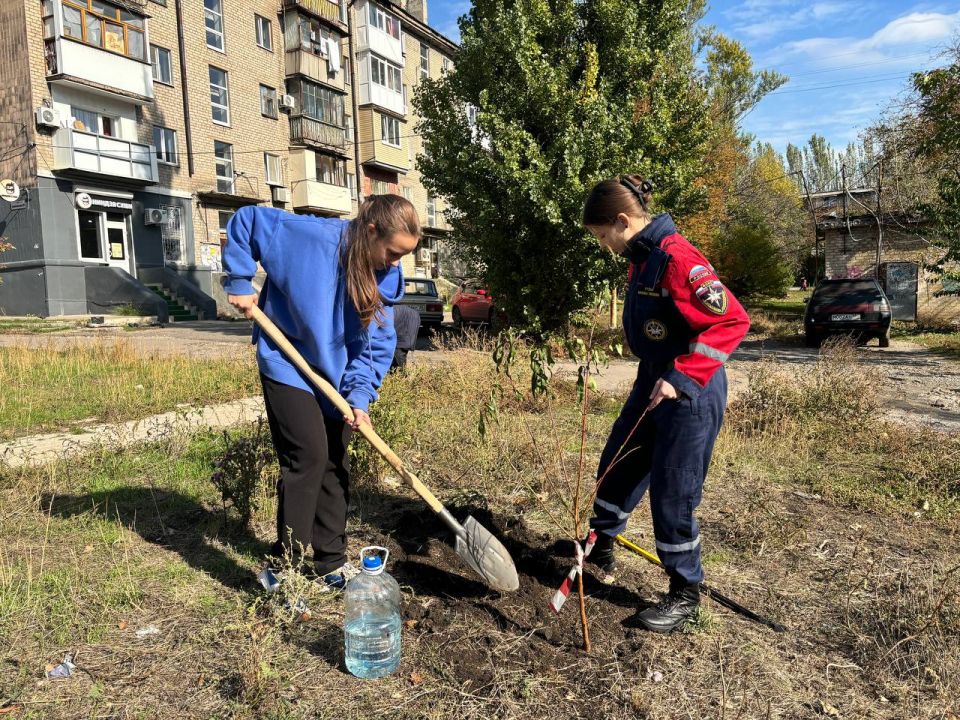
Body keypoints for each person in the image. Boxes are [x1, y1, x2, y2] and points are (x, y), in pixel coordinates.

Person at [222, 195, 420, 590]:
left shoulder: (384, 276)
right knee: (308, 456)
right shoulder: (308, 237)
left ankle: (329, 562)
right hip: (288, 362)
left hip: (340, 378)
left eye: (404, 256)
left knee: (335, 460)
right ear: (370, 232)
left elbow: (375, 346)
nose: (395, 263)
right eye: (393, 252)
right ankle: (284, 568)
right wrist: (240, 279)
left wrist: (360, 398)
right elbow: (245, 221)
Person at [581, 175, 750, 632]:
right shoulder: (643, 257)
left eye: (602, 236)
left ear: (622, 221)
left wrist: (681, 378)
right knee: (619, 460)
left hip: (689, 388)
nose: (603, 246)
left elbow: (731, 321)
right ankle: (601, 543)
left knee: (674, 492)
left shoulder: (679, 259)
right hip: (652, 378)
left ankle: (684, 593)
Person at [390, 304, 421, 371]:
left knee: (398, 355)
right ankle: (398, 375)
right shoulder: (412, 312)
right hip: (405, 332)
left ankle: (400, 376)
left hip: (402, 335)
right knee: (398, 355)